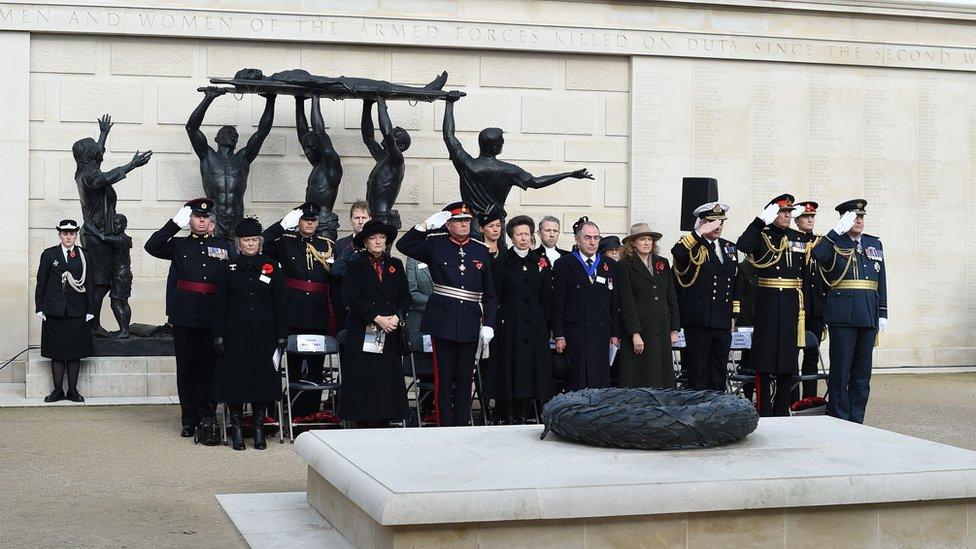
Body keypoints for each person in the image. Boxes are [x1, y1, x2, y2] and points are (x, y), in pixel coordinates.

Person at [396, 202, 497, 426]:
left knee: (464, 379)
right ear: (448, 224)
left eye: (467, 221)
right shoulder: (434, 244)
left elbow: (490, 293)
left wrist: (489, 324)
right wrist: (425, 226)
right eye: (459, 221)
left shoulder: (480, 249)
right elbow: (404, 245)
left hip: (470, 321)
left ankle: (461, 424)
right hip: (442, 321)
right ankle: (445, 425)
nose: (464, 224)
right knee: (443, 378)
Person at [145, 198, 231, 443]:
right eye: (196, 216)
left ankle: (207, 415)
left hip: (213, 315)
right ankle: (188, 419)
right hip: (186, 315)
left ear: (210, 221)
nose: (201, 220)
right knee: (186, 369)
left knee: (209, 368)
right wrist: (174, 223)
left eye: (205, 217)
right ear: (190, 220)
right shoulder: (179, 245)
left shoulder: (223, 246)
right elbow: (152, 246)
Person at [443, 90, 592, 220]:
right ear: (496, 147)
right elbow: (536, 182)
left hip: (473, 224)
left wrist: (450, 103)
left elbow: (449, 136)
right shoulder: (508, 170)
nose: (503, 143)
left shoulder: (467, 164)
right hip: (495, 225)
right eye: (502, 141)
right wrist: (569, 174)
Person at [211, 218, 287, 451]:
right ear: (239, 243)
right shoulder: (228, 268)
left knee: (262, 382)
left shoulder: (272, 266)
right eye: (246, 240)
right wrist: (219, 334)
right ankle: (236, 430)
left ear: (260, 242)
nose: (250, 244)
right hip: (236, 334)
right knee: (236, 381)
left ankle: (258, 428)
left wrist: (282, 334)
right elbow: (220, 305)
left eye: (254, 239)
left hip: (265, 333)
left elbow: (280, 304)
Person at [73, 114, 152, 337]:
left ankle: (94, 325)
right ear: (88, 155)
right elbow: (107, 177)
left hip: (97, 234)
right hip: (98, 235)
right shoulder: (90, 177)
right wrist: (132, 165)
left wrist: (103, 134)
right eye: (94, 149)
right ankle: (93, 326)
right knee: (99, 284)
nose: (98, 153)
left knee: (102, 284)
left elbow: (98, 159)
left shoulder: (85, 170)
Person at [261, 202, 339, 420]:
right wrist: (281, 225)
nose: (310, 223)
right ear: (298, 222)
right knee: (294, 367)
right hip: (292, 310)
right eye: (306, 219)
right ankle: (294, 412)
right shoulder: (285, 242)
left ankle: (312, 412)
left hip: (318, 311)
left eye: (313, 220)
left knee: (316, 367)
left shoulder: (327, 244)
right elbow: (260, 243)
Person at [813, 200, 887, 423]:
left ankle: (857, 419)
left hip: (867, 315)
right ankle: (839, 417)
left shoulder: (874, 244)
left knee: (862, 375)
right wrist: (836, 231)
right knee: (840, 372)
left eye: (861, 217)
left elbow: (881, 280)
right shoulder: (834, 242)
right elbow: (818, 255)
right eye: (854, 217)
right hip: (843, 316)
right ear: (843, 220)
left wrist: (882, 312)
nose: (859, 221)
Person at [736, 194, 808, 416]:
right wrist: (759, 222)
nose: (786, 216)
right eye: (782, 212)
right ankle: (764, 409)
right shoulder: (761, 235)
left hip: (791, 305)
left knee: (788, 361)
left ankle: (781, 409)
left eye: (789, 212)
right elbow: (742, 244)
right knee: (765, 362)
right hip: (767, 304)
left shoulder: (799, 238)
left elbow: (807, 272)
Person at [340, 220, 411, 427]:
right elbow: (352, 299)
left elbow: (405, 297)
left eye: (381, 237)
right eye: (373, 238)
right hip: (365, 329)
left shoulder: (395, 265)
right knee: (366, 378)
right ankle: (364, 422)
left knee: (386, 379)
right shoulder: (355, 265)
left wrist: (397, 317)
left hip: (390, 330)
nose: (378, 241)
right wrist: (377, 318)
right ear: (365, 242)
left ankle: (385, 420)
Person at [488, 215, 554, 424]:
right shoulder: (502, 262)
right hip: (510, 321)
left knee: (530, 368)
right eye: (519, 234)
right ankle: (508, 414)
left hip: (535, 322)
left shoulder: (541, 262)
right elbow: (495, 294)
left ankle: (525, 413)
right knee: (510, 366)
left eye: (527, 233)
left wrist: (547, 325)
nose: (523, 238)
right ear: (511, 237)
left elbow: (547, 297)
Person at [186, 87, 276, 239]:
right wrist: (209, 98)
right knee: (215, 259)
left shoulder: (243, 158)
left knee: (238, 259)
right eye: (227, 133)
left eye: (235, 135)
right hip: (214, 219)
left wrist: (270, 100)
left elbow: (262, 132)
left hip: (237, 219)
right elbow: (191, 128)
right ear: (217, 139)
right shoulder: (207, 156)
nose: (232, 136)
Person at [671, 202, 739, 392]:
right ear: (701, 223)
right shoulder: (692, 245)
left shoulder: (729, 247)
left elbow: (735, 283)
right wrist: (698, 233)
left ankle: (718, 414)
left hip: (722, 319)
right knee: (698, 373)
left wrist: (734, 315)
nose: (717, 227)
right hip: (699, 320)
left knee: (719, 372)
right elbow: (677, 253)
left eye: (720, 223)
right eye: (711, 222)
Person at [552, 217, 619, 390]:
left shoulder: (609, 265)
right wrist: (559, 334)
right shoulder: (564, 263)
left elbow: (614, 301)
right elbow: (558, 302)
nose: (592, 242)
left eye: (596, 238)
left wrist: (614, 334)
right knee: (578, 377)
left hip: (601, 330)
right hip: (575, 331)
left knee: (599, 378)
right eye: (587, 237)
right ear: (577, 239)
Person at [36, 220, 94, 403]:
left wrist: (91, 309)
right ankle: (57, 391)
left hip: (77, 310)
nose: (68, 236)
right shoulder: (49, 254)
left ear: (76, 234)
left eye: (72, 233)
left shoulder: (84, 255)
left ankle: (73, 391)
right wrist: (39, 307)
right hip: (54, 310)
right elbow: (41, 282)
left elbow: (90, 283)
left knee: (74, 352)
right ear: (59, 235)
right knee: (57, 352)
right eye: (64, 233)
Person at [616, 223, 680, 389]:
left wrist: (674, 328)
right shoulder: (625, 265)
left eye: (649, 239)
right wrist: (635, 333)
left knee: (661, 372)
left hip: (661, 326)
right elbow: (626, 300)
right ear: (633, 243)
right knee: (641, 372)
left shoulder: (662, 263)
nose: (646, 243)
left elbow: (670, 296)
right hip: (640, 326)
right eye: (642, 239)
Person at [296, 94, 342, 239]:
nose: (307, 152)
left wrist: (316, 98)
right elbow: (302, 132)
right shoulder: (317, 165)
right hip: (310, 221)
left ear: (320, 147)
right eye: (305, 149)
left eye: (310, 148)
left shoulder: (331, 164)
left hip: (324, 224)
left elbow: (319, 132)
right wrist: (299, 101)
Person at [794, 201, 828, 399]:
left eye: (812, 216)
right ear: (797, 220)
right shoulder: (791, 240)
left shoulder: (820, 243)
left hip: (815, 307)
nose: (809, 219)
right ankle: (791, 398)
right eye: (806, 217)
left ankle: (809, 399)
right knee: (791, 355)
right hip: (796, 306)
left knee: (811, 354)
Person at [82, 214, 133, 339]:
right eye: (114, 223)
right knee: (124, 302)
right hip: (125, 274)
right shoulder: (126, 239)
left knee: (115, 303)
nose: (115, 226)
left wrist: (90, 227)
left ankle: (124, 331)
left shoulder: (120, 239)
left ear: (124, 225)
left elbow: (102, 238)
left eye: (118, 224)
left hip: (119, 275)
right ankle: (125, 329)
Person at [404, 254, 435, 423]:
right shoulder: (414, 258)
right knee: (425, 368)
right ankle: (426, 408)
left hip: (448, 319)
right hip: (420, 320)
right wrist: (437, 303)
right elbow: (412, 292)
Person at [332, 201, 371, 278]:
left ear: (370, 219)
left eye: (364, 217)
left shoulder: (377, 243)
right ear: (350, 220)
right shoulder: (339, 245)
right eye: (357, 218)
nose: (360, 222)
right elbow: (335, 274)